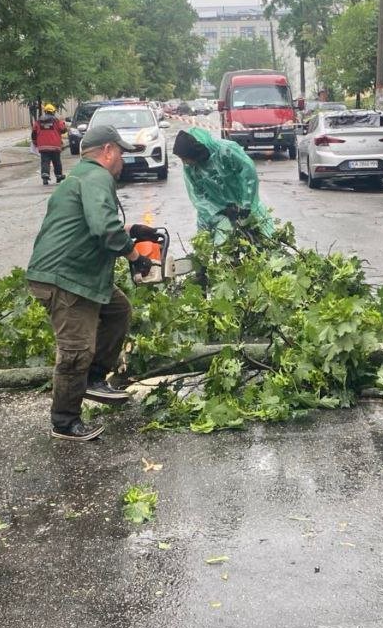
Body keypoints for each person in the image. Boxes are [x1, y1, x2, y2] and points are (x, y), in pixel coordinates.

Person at [25, 125, 155, 442]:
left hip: (81, 275)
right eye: (121, 153)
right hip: (67, 278)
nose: (122, 160)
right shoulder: (97, 177)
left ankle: (94, 378)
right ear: (108, 150)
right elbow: (104, 229)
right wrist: (135, 254)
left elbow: (95, 221)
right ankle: (64, 422)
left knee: (118, 311)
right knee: (76, 351)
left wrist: (131, 229)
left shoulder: (81, 177)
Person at [172, 127, 273, 237]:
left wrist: (246, 204)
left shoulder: (226, 151)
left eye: (184, 158)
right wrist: (220, 210)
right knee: (215, 245)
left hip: (244, 207)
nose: (184, 162)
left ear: (194, 152)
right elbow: (198, 195)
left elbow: (248, 174)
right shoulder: (190, 168)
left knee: (258, 236)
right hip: (214, 216)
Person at [31, 103, 69, 185]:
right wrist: (62, 122)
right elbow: (63, 130)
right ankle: (58, 176)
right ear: (53, 112)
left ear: (45, 112)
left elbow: (34, 133)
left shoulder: (38, 121)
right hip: (55, 145)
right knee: (56, 161)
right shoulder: (56, 120)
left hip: (43, 146)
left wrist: (35, 142)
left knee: (45, 161)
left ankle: (45, 175)